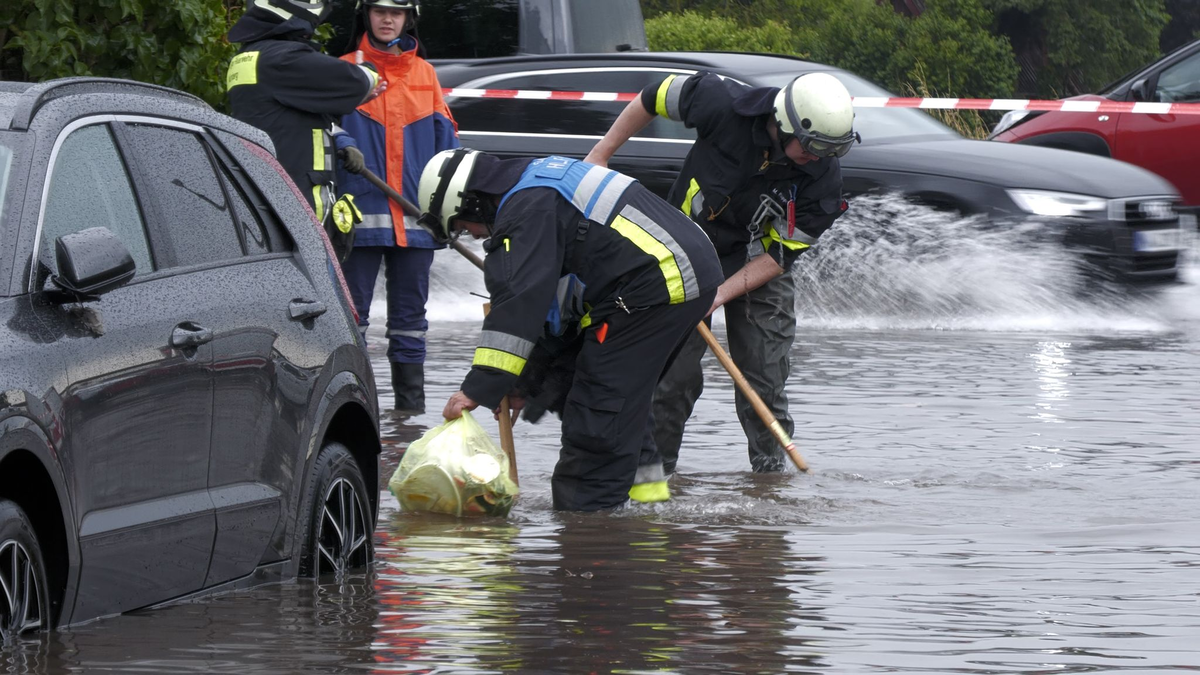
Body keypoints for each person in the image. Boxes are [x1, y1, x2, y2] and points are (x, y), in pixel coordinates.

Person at [417, 149, 723, 511]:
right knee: (610, 396)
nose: (471, 234)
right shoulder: (537, 183)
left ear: (470, 203)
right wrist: (524, 382)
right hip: (676, 276)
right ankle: (646, 506)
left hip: (656, 285)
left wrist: (478, 388)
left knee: (598, 408)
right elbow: (553, 306)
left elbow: (518, 306)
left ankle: (586, 528)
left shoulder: (525, 211)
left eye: (462, 226)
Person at [584, 71, 858, 474]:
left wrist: (717, 296)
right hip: (682, 255)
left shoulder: (823, 178)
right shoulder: (718, 100)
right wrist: (601, 155)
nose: (818, 157)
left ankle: (770, 484)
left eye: (831, 150)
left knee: (764, 379)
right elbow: (651, 97)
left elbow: (779, 257)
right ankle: (656, 479)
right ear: (784, 123)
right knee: (673, 378)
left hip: (756, 264)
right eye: (813, 145)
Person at [334, 0, 460, 414]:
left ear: (409, 18)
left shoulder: (424, 73)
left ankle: (409, 417)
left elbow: (448, 145)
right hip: (359, 218)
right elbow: (320, 126)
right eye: (380, 11)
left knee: (411, 324)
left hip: (416, 220)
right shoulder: (343, 69)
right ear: (365, 16)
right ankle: (353, 411)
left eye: (397, 13)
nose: (388, 20)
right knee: (352, 320)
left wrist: (450, 211)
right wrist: (341, 142)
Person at [226, 0, 382, 250]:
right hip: (299, 218)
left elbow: (294, 115)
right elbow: (356, 81)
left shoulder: (250, 57)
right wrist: (368, 71)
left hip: (278, 206)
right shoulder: (282, 58)